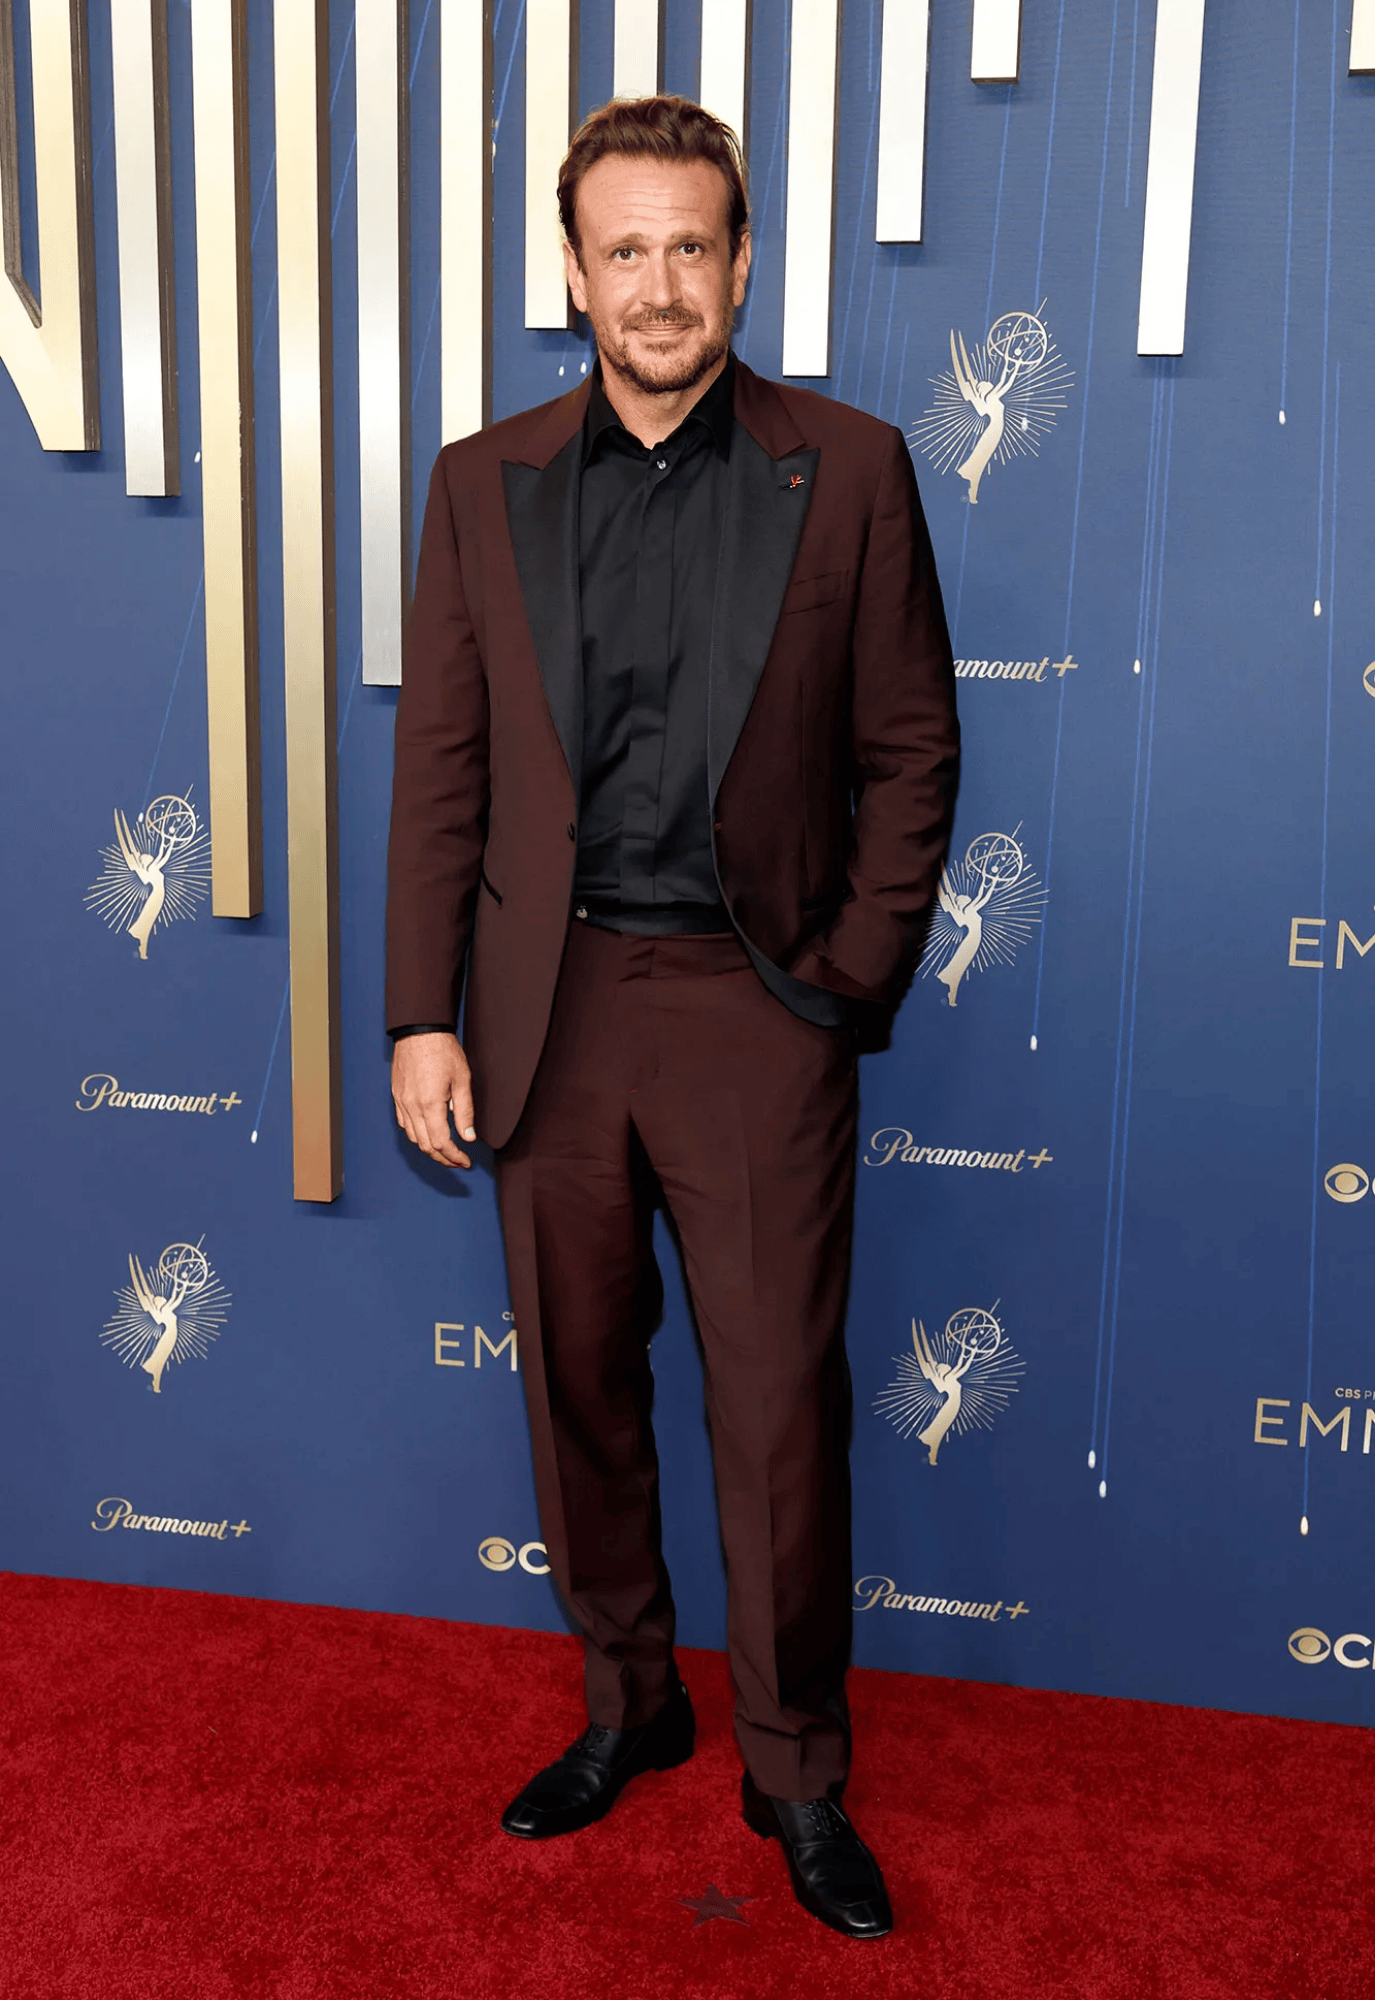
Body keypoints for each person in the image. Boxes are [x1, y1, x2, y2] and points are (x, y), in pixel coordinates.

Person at [385, 94, 958, 1941]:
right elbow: (443, 770)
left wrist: (841, 981)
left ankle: (794, 1770)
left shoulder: (847, 469)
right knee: (579, 1386)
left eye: (688, 247)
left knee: (775, 1406)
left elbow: (910, 751)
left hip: (750, 1006)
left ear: (740, 261)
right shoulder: (481, 481)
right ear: (573, 271)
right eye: (621, 249)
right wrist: (417, 1015)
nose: (657, 285)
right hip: (545, 1012)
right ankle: (628, 1704)